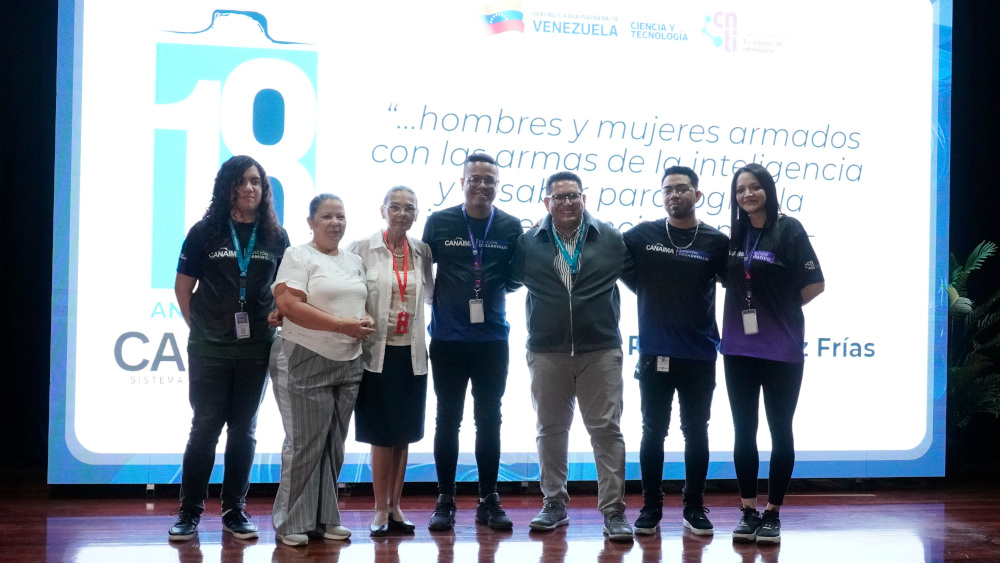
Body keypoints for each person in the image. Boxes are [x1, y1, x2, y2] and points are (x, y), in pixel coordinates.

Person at [169, 155, 290, 542]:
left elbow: (283, 289)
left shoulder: (276, 236)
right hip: (210, 348)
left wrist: (278, 312)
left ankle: (234, 509)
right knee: (204, 428)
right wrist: (200, 327)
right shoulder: (204, 232)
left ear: (264, 188)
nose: (249, 188)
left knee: (244, 430)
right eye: (240, 181)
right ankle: (189, 512)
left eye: (255, 181)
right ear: (226, 187)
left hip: (256, 347)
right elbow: (183, 288)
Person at [512, 171, 634, 542]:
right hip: (547, 350)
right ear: (546, 202)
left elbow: (637, 279)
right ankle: (554, 503)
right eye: (559, 197)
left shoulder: (609, 237)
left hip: (600, 350)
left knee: (606, 431)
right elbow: (510, 281)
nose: (567, 202)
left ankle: (613, 511)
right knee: (550, 429)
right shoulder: (528, 242)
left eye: (573, 196)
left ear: (584, 198)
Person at [621, 166, 729, 536]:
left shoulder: (716, 241)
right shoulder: (642, 235)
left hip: (699, 353)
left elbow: (738, 281)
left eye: (681, 189)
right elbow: (610, 255)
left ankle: (693, 506)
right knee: (653, 431)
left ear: (697, 195)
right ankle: (651, 506)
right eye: (667, 189)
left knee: (696, 431)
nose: (674, 195)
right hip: (655, 353)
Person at [721, 163, 825, 544]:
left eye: (754, 187)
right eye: (740, 189)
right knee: (743, 430)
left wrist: (782, 308)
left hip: (782, 348)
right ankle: (748, 511)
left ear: (767, 189)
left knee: (780, 430)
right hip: (738, 347)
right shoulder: (735, 235)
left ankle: (773, 513)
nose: (747, 194)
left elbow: (815, 284)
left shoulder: (789, 229)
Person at [422, 153, 523, 530]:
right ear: (462, 182)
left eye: (489, 180)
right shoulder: (439, 221)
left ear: (498, 185)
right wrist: (435, 300)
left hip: (492, 339)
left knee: (489, 420)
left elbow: (516, 278)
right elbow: (422, 269)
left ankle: (488, 499)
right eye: (475, 178)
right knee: (447, 418)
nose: (482, 185)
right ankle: (445, 498)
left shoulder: (510, 226)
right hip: (447, 338)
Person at [268, 194, 376, 547]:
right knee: (304, 444)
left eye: (340, 216)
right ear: (311, 222)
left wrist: (362, 320)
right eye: (327, 216)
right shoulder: (298, 255)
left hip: (349, 362)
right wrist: (340, 325)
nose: (335, 223)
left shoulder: (354, 260)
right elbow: (288, 304)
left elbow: (356, 303)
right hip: (304, 357)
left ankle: (325, 518)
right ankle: (289, 522)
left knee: (333, 445)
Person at [346, 186, 434, 536]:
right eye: (395, 207)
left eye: (409, 208)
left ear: (417, 214)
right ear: (382, 210)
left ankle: (396, 506)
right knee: (382, 435)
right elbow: (348, 295)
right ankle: (379, 508)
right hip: (376, 355)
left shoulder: (421, 250)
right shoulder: (361, 248)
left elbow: (430, 294)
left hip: (412, 354)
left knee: (404, 434)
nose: (402, 214)